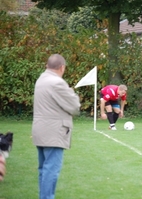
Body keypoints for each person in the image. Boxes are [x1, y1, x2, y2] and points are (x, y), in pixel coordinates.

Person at [32, 54, 81, 199]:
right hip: (54, 133)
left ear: (47, 66)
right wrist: (72, 92)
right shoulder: (57, 83)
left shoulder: (41, 80)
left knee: (44, 169)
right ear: (62, 67)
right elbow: (75, 107)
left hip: (40, 131)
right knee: (51, 171)